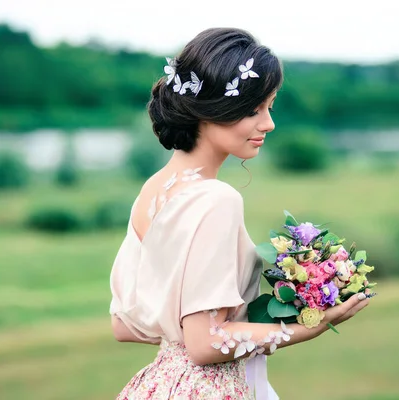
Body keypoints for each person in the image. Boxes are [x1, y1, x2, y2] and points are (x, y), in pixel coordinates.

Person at [108, 27, 373, 399]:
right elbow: (205, 344)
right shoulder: (216, 198)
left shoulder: (152, 191)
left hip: (158, 384)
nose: (268, 123)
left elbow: (123, 324)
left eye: (269, 107)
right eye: (253, 110)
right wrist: (310, 325)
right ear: (210, 108)